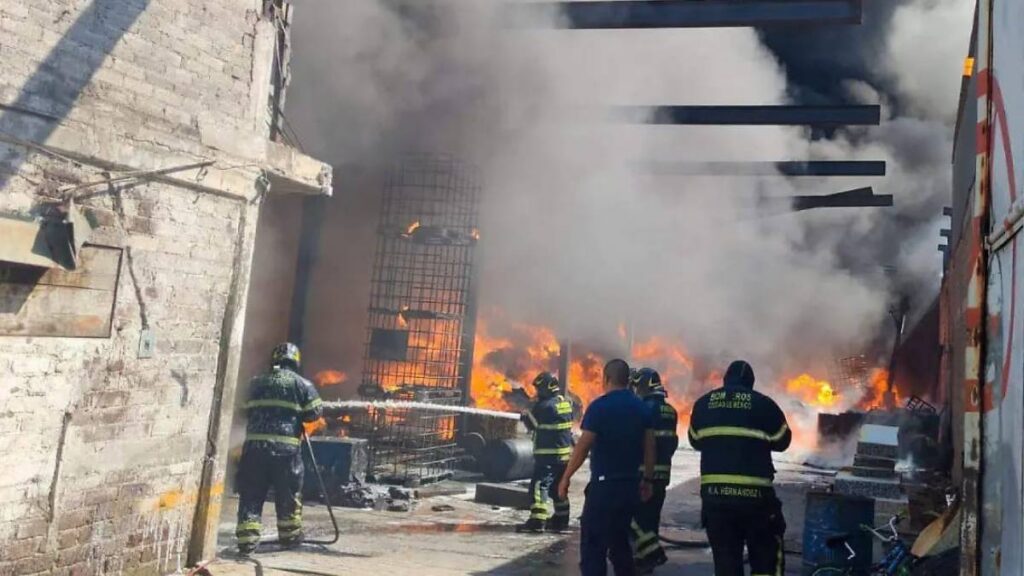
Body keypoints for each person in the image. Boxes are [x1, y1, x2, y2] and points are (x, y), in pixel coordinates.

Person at [688, 360, 791, 576]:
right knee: (766, 561)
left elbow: (695, 440)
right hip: (757, 502)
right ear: (751, 383)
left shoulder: (703, 404)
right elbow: (783, 441)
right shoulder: (763, 405)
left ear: (725, 380)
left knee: (726, 565)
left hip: (715, 502)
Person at [558, 359, 656, 576]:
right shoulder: (642, 408)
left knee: (594, 548)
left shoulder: (599, 407)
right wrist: (648, 480)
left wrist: (566, 477)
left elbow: (583, 447)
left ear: (607, 379)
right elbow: (650, 447)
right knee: (621, 545)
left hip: (604, 488)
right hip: (630, 487)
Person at [235, 342, 323, 555]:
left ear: (274, 359)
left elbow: (241, 410)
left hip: (254, 450)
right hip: (286, 453)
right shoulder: (302, 385)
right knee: (288, 493)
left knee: (251, 493)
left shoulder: (255, 383)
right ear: (296, 361)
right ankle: (289, 537)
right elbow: (315, 413)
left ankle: (247, 541)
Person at [628, 368, 678, 573]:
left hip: (642, 471)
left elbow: (636, 442)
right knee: (651, 517)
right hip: (663, 473)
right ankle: (643, 559)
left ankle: (653, 552)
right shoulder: (671, 411)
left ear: (645, 385)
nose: (636, 390)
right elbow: (671, 442)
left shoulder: (642, 409)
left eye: (638, 386)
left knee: (631, 516)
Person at [517, 372, 575, 533]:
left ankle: (537, 521)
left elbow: (533, 425)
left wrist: (526, 416)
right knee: (558, 488)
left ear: (549, 388)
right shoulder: (566, 402)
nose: (538, 393)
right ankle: (561, 520)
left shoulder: (543, 407)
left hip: (547, 457)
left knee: (538, 486)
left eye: (540, 389)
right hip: (563, 456)